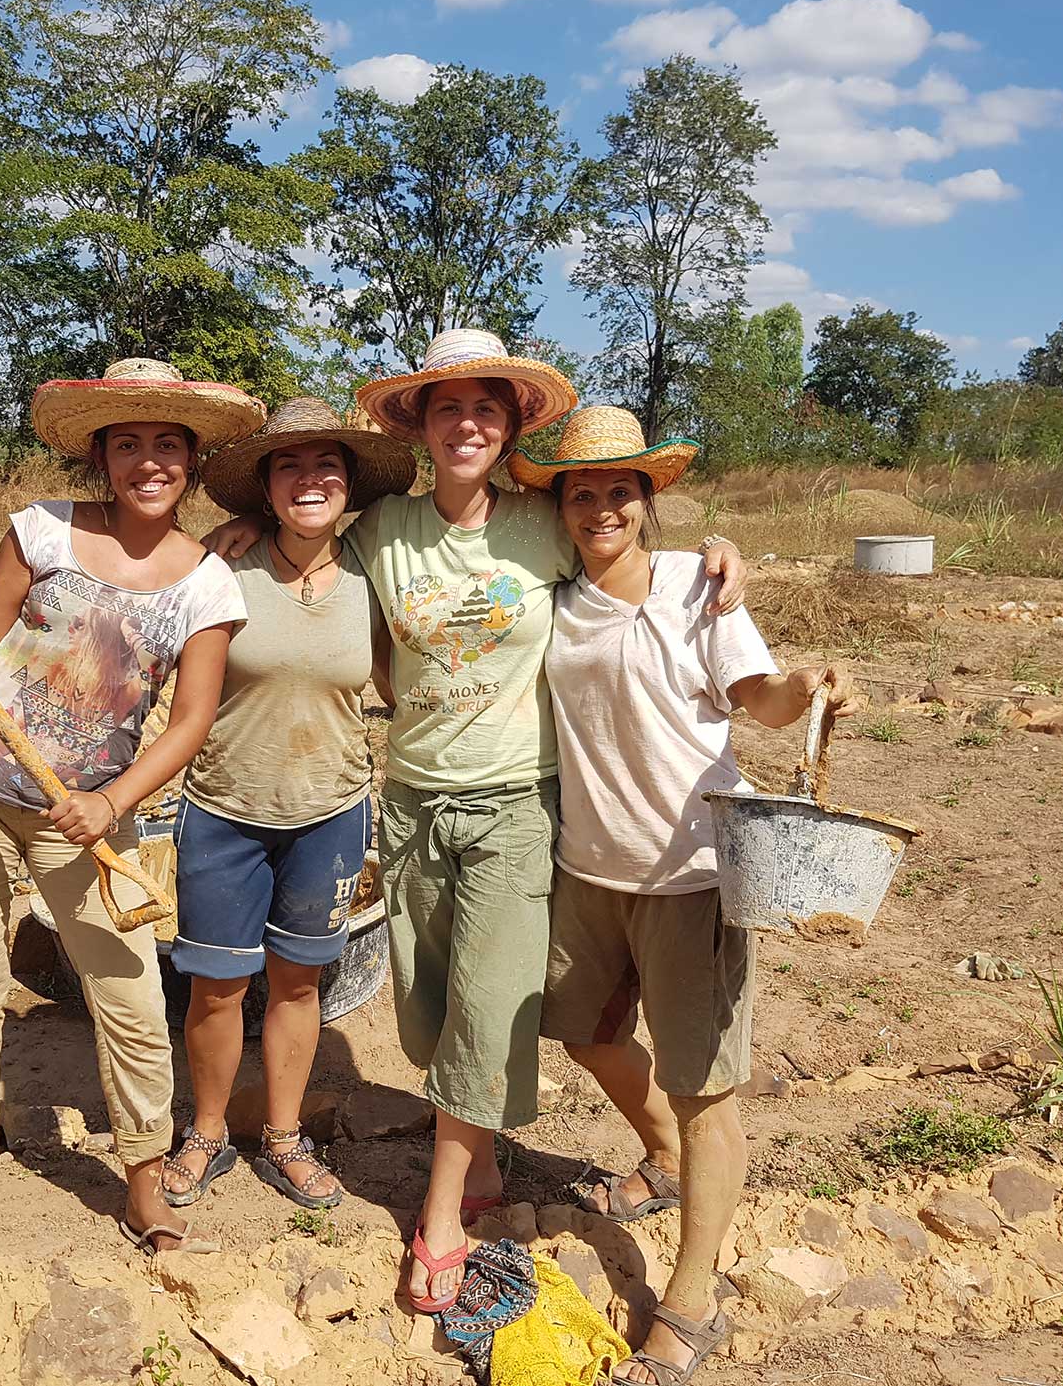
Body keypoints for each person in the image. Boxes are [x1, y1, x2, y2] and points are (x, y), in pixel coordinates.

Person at [205, 331, 748, 1313]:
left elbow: (633, 544)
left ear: (510, 428)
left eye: (485, 410)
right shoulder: (384, 531)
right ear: (417, 424)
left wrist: (718, 551)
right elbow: (309, 555)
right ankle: (489, 1147)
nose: (466, 424)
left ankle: (444, 1212)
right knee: (427, 1014)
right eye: (446, 407)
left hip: (517, 806)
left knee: (488, 1012)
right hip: (411, 804)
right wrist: (231, 532)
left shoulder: (545, 521)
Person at [0, 357, 263, 1267]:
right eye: (126, 442)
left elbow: (194, 717)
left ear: (191, 459)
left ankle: (142, 1179)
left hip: (83, 814)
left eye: (166, 443)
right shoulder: (40, 529)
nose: (148, 460)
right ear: (100, 455)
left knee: (129, 996)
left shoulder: (206, 584)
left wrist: (110, 800)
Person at [508, 406, 852, 1381]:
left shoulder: (696, 593)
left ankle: (692, 1303)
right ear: (560, 507)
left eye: (621, 488)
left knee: (708, 1094)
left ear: (647, 499)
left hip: (693, 874)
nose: (601, 505)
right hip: (590, 869)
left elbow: (761, 700)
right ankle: (658, 1158)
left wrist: (807, 688)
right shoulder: (554, 602)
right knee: (582, 1033)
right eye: (582, 491)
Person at [158, 396, 414, 1213]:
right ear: (265, 490)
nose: (310, 479)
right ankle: (203, 1132)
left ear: (348, 486)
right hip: (225, 809)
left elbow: (404, 677)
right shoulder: (222, 571)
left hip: (330, 813)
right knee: (216, 988)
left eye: (326, 465)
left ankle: (282, 1137)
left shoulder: (375, 579)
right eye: (290, 465)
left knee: (299, 985)